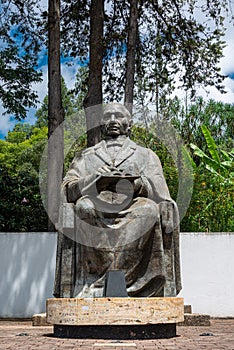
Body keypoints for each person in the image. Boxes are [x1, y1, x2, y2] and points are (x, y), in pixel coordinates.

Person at [54, 103, 181, 298]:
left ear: (129, 124)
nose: (113, 120)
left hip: (134, 206)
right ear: (101, 123)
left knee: (149, 211)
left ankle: (125, 285)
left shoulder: (146, 155)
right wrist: (93, 179)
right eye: (108, 116)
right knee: (83, 206)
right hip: (97, 204)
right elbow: (68, 190)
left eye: (118, 116)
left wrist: (137, 183)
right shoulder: (85, 156)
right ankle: (103, 281)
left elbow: (160, 193)